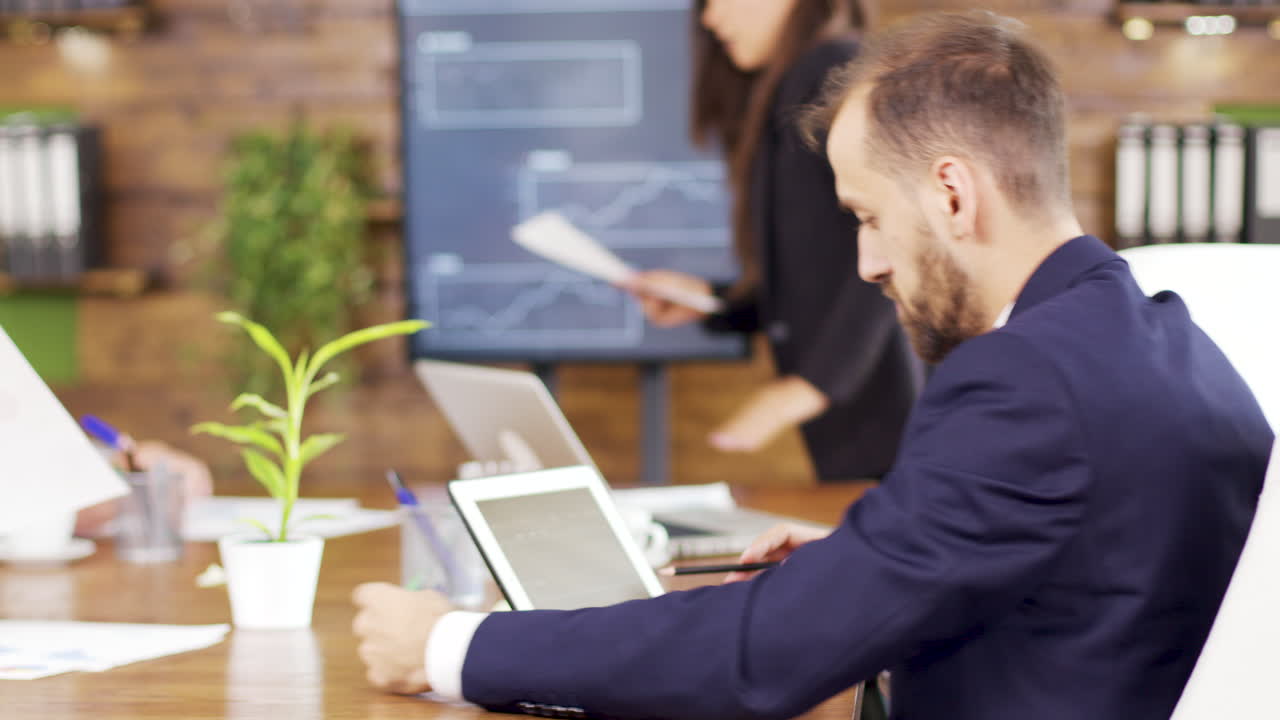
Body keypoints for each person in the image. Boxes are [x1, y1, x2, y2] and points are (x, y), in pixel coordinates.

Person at [352, 11, 1275, 720]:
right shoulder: (1166, 340)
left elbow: (764, 655)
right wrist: (867, 566)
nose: (868, 263)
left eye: (869, 217)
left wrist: (453, 647)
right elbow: (1090, 574)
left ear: (952, 192)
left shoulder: (1024, 379)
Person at [621, 0, 922, 481]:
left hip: (904, 430)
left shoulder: (833, 72)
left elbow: (899, 240)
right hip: (861, 441)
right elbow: (814, 268)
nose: (711, 19)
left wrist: (807, 387)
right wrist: (714, 302)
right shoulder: (791, 85)